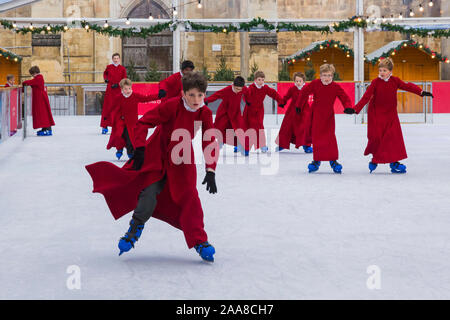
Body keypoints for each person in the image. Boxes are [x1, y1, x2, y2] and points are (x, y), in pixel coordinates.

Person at [85, 72, 219, 262]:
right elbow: (143, 122)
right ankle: (134, 229)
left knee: (190, 197)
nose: (196, 100)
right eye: (192, 95)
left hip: (182, 158)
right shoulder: (171, 106)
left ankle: (199, 241)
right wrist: (139, 149)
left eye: (200, 95)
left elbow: (209, 139)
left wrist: (210, 169)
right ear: (183, 94)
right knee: (148, 192)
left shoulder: (204, 113)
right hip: (158, 153)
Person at [344, 57, 434, 173]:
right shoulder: (375, 82)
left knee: (393, 138)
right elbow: (366, 97)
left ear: (390, 71)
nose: (382, 73)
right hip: (376, 114)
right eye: (380, 70)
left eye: (384, 71)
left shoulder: (395, 81)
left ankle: (394, 162)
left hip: (391, 114)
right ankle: (376, 159)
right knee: (378, 137)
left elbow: (408, 86)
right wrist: (355, 109)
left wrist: (421, 92)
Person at [295, 64, 352, 173]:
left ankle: (333, 160)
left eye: (329, 75)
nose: (327, 78)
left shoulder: (335, 86)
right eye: (324, 75)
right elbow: (304, 93)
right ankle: (316, 160)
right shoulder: (315, 84)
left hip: (329, 117)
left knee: (330, 138)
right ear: (320, 75)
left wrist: (348, 107)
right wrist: (299, 105)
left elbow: (344, 97)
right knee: (318, 139)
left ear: (332, 76)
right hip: (316, 116)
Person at [106, 78, 159, 160]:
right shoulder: (118, 97)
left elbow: (147, 98)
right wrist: (107, 116)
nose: (128, 90)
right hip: (120, 121)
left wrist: (158, 96)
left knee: (130, 138)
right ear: (122, 89)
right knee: (118, 135)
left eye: (129, 88)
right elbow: (112, 107)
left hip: (132, 122)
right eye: (125, 89)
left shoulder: (135, 96)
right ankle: (119, 149)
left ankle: (131, 152)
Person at [204, 76, 250, 156]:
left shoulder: (244, 89)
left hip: (236, 113)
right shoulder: (227, 90)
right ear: (233, 85)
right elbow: (216, 95)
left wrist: (248, 101)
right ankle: (217, 143)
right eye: (236, 89)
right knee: (219, 128)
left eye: (240, 89)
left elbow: (248, 93)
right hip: (224, 113)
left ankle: (241, 146)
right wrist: (207, 100)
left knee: (240, 129)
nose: (238, 91)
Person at [243, 71, 284, 153]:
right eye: (259, 80)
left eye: (262, 80)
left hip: (259, 111)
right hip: (249, 111)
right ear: (255, 80)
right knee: (248, 128)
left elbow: (273, 93)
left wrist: (281, 101)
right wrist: (247, 101)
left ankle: (262, 145)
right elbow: (245, 95)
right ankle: (244, 146)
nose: (261, 82)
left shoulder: (265, 88)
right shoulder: (251, 88)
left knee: (260, 127)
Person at [275, 72, 313, 153]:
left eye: (300, 81)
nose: (298, 83)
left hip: (304, 111)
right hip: (292, 111)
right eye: (297, 81)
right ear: (294, 81)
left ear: (303, 81)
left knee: (305, 127)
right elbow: (286, 97)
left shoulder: (307, 88)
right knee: (287, 127)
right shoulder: (292, 89)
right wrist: (282, 102)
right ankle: (282, 144)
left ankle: (307, 146)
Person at [22, 66, 55, 136]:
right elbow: (32, 83)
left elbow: (29, 82)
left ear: (34, 73)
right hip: (39, 99)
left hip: (41, 99)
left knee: (43, 114)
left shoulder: (39, 78)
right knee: (41, 114)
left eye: (32, 74)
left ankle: (48, 129)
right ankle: (44, 128)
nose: (32, 76)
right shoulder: (37, 78)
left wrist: (23, 83)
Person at [101, 53, 127, 134]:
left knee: (118, 109)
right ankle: (104, 126)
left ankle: (117, 126)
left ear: (119, 59)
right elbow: (105, 74)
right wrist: (106, 79)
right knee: (107, 107)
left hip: (118, 91)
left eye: (117, 58)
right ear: (112, 59)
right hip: (110, 91)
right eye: (114, 58)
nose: (116, 60)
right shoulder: (109, 67)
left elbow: (124, 79)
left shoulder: (122, 69)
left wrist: (118, 84)